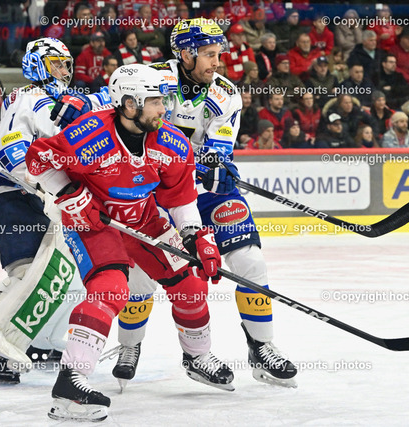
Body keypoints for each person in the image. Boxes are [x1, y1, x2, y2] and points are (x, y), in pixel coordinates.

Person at [26, 64, 232, 421]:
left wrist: (195, 236)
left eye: (163, 99)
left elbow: (180, 198)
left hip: (142, 217)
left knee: (191, 283)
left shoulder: (170, 142)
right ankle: (70, 383)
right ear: (128, 103)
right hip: (92, 221)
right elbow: (38, 160)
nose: (163, 108)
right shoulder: (89, 136)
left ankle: (197, 357)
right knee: (111, 289)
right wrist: (69, 192)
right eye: (154, 101)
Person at [104, 18, 298, 389]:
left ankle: (262, 348)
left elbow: (219, 148)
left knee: (251, 262)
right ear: (186, 54)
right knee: (144, 276)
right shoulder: (153, 80)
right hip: (155, 192)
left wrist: (219, 165)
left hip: (205, 191)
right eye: (208, 54)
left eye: (217, 54)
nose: (216, 62)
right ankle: (130, 346)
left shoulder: (225, 93)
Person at [0, 37, 109, 385]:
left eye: (66, 64)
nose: (64, 70)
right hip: (11, 195)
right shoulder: (25, 99)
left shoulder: (62, 103)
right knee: (28, 274)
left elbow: (105, 101)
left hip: (42, 199)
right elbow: (11, 150)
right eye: (56, 64)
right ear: (37, 66)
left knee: (67, 275)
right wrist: (43, 185)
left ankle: (39, 340)